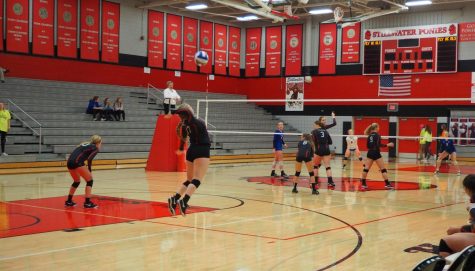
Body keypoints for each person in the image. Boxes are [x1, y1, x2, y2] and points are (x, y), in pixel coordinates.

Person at [167, 103, 210, 217]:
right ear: (188, 112)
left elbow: (183, 139)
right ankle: (184, 201)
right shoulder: (193, 121)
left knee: (189, 179)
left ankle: (174, 199)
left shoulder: (185, 125)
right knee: (197, 180)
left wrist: (181, 149)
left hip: (191, 150)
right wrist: (173, 112)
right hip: (202, 149)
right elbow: (186, 111)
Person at [438, 175, 475, 258]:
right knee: (451, 230)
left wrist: (471, 214)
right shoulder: (472, 201)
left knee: (444, 242)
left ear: (467, 189)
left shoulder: (473, 206)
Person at [64, 135, 102, 208]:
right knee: (90, 180)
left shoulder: (85, 144)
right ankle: (87, 203)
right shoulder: (95, 148)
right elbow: (90, 159)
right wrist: (90, 170)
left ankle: (68, 201)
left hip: (69, 162)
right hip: (77, 162)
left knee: (76, 181)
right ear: (98, 142)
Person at [360, 123, 394, 190]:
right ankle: (387, 184)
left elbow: (367, 146)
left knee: (366, 169)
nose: (379, 129)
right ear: (376, 128)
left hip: (370, 152)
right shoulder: (377, 135)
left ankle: (363, 184)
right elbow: (379, 145)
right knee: (383, 169)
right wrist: (388, 145)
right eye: (378, 127)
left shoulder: (369, 136)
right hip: (376, 153)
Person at [312, 118, 336, 188]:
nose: (313, 126)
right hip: (326, 149)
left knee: (315, 166)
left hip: (319, 150)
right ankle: (330, 182)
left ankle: (315, 182)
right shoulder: (326, 131)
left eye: (314, 125)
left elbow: (314, 141)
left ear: (317, 125)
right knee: (327, 166)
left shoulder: (314, 131)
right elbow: (330, 142)